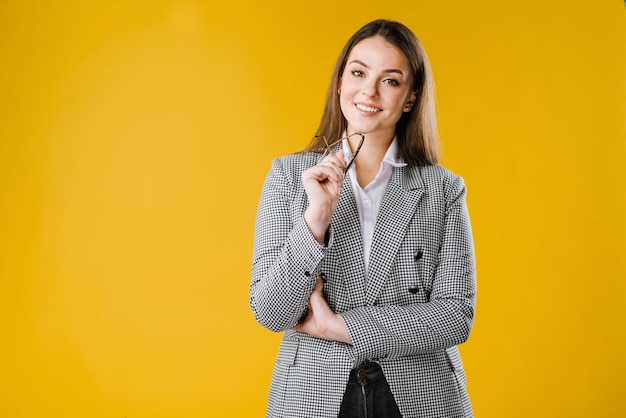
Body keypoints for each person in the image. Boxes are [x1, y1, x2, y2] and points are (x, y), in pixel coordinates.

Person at [250, 19, 476, 418]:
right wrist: (315, 218)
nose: (368, 91)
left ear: (410, 97)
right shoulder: (288, 177)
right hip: (311, 395)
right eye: (358, 73)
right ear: (340, 81)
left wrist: (340, 328)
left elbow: (456, 316)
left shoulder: (443, 189)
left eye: (390, 81)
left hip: (422, 396)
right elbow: (271, 311)